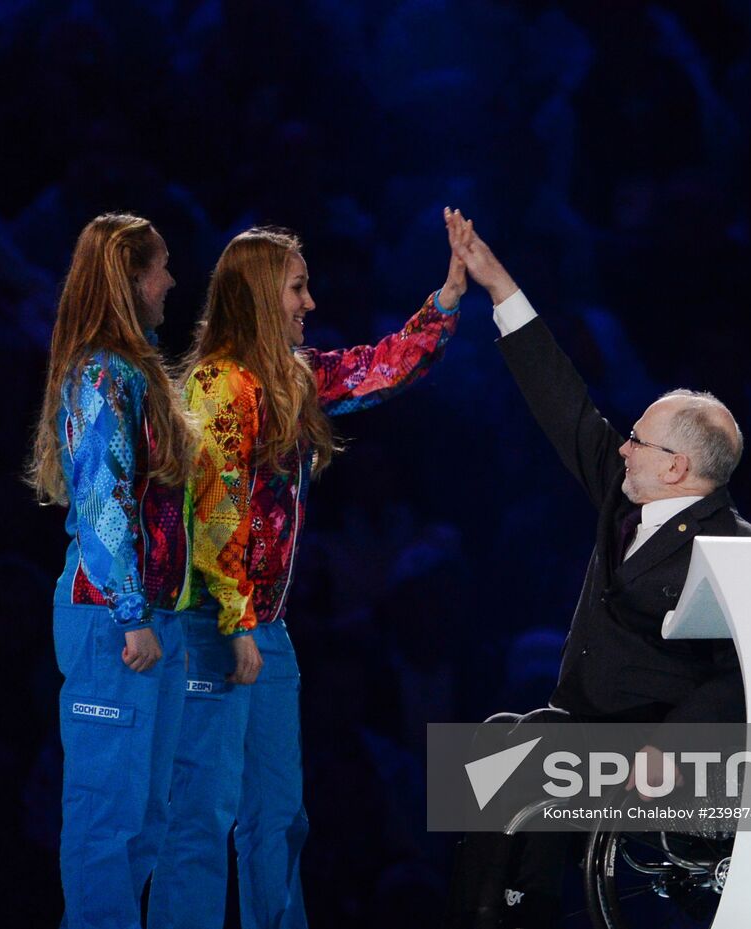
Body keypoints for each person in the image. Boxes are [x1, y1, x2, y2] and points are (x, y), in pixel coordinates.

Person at [442, 213, 751, 929]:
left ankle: (500, 912)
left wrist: (670, 746)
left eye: (639, 441)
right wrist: (500, 287)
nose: (623, 450)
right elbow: (565, 406)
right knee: (498, 742)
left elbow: (742, 671)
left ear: (678, 465)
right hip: (581, 722)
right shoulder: (624, 495)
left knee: (513, 749)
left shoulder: (735, 549)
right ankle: (501, 908)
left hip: (647, 739)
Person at [148, 218, 467, 929]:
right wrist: (232, 626)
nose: (310, 302)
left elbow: (376, 368)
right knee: (203, 814)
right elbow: (214, 514)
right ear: (262, 294)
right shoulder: (219, 385)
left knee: (278, 816)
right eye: (298, 287)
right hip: (212, 623)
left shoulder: (288, 378)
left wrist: (444, 298)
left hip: (264, 627)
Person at [27, 213, 198, 929]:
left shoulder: (135, 369)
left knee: (146, 817)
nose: (171, 281)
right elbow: (101, 498)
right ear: (130, 279)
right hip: (112, 620)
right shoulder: (100, 371)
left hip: (149, 617)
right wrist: (131, 615)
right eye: (159, 267)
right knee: (108, 821)